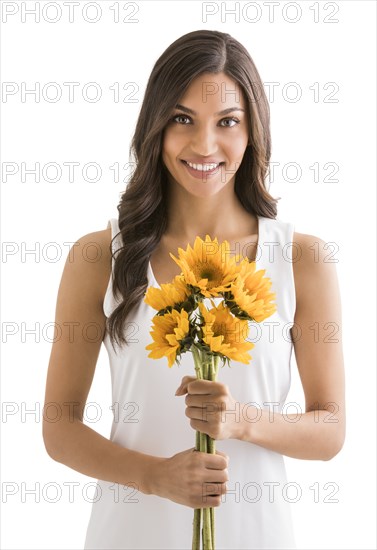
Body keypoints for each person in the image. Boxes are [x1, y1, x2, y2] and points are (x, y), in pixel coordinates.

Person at [42, 30, 345, 550]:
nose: (205, 145)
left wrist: (243, 420)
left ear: (253, 131)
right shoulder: (99, 257)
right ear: (156, 127)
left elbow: (330, 430)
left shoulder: (303, 260)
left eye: (227, 121)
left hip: (258, 536)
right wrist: (155, 477)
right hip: (129, 534)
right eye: (182, 119)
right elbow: (59, 426)